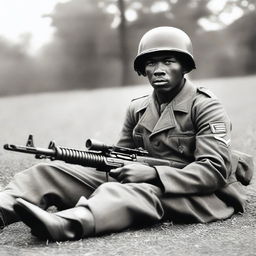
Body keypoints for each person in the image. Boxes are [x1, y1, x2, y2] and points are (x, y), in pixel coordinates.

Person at [0, 26, 254, 241]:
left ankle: (68, 224)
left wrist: (153, 174)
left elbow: (214, 171)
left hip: (201, 194)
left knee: (125, 192)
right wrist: (92, 162)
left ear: (185, 66)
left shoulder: (206, 106)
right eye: (151, 62)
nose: (158, 69)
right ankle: (3, 209)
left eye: (168, 61)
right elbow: (121, 159)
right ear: (143, 69)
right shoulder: (138, 108)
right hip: (145, 183)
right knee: (47, 172)